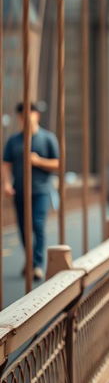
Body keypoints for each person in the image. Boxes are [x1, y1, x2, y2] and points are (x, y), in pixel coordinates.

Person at [2, 102, 60, 281]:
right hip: (20, 191)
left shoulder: (48, 138)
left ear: (37, 115)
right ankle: (30, 259)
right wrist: (6, 183)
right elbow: (6, 164)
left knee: (37, 224)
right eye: (23, 114)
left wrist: (38, 161)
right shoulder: (13, 140)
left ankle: (36, 264)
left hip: (41, 190)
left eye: (30, 113)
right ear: (19, 118)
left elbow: (58, 163)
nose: (27, 117)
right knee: (23, 228)